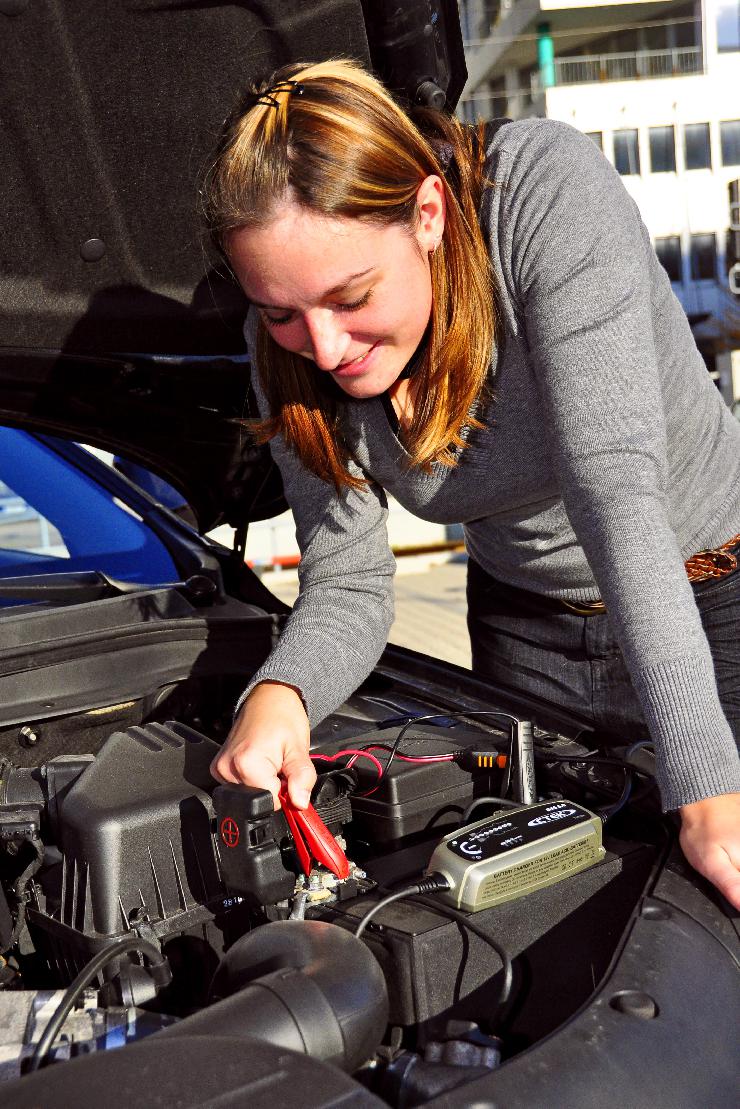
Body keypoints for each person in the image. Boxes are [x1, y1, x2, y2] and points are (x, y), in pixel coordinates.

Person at [205, 60, 740, 909]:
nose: (326, 346)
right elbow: (347, 579)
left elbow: (612, 492)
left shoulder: (542, 194)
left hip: (713, 599)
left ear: (427, 212)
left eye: (352, 297)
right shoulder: (289, 343)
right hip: (525, 629)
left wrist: (708, 782)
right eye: (280, 311)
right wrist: (283, 692)